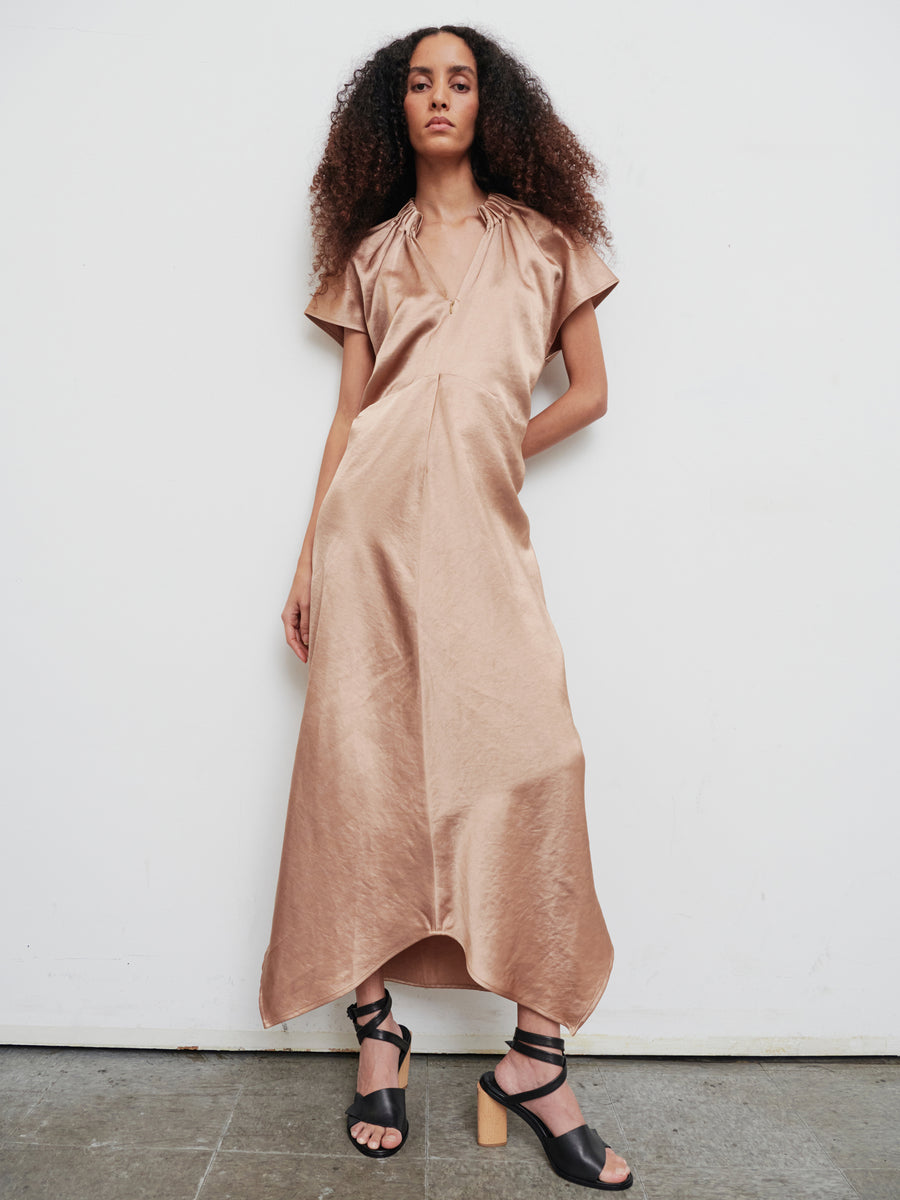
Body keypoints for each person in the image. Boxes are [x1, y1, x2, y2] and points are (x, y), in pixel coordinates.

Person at [259, 23, 632, 1191]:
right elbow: (349, 417)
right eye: (419, 82)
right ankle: (378, 1030)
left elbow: (593, 390)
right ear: (394, 109)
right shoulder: (373, 255)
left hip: (481, 539)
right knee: (358, 768)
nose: (439, 98)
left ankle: (534, 1055)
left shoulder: (546, 245)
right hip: (366, 536)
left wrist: (491, 453)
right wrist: (310, 556)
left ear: (491, 105)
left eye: (459, 81)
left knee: (538, 759)